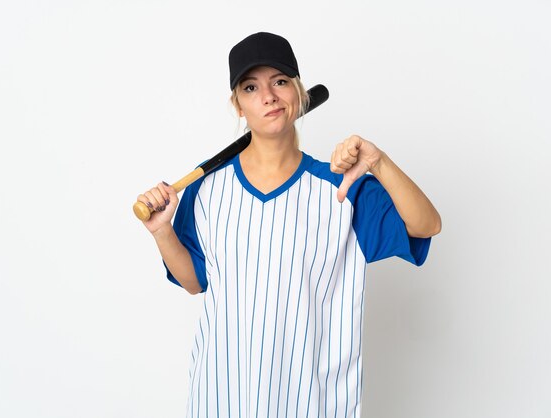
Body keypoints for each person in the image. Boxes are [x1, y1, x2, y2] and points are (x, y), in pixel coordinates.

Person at [136, 32, 441, 418]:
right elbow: (194, 282)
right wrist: (162, 231)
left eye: (279, 81)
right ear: (239, 106)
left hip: (312, 401)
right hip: (220, 397)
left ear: (298, 93)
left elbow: (426, 225)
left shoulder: (342, 187)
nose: (268, 96)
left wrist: (378, 161)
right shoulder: (207, 190)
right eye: (251, 87)